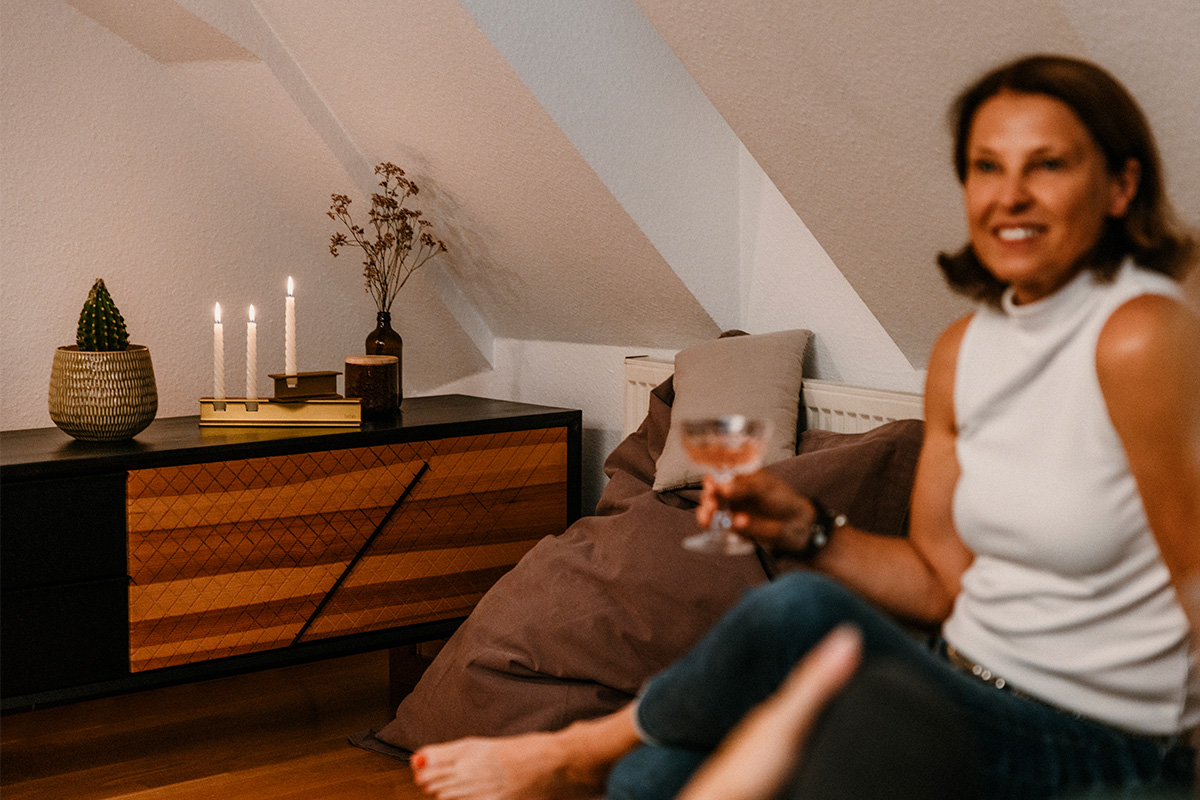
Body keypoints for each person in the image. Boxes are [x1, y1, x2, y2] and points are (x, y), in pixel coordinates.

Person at [411, 53, 1200, 800]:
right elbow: (938, 582)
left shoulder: (1138, 334)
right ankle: (600, 758)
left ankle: (576, 749)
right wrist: (806, 529)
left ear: (1122, 185)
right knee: (651, 779)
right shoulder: (968, 350)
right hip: (957, 676)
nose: (1011, 194)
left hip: (1099, 734)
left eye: (1048, 165)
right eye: (988, 166)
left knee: (796, 615)